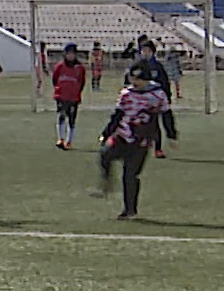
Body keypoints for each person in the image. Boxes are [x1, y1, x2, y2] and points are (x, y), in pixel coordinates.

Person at [95, 62, 173, 221]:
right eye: (132, 79)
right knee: (104, 155)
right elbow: (117, 115)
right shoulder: (126, 94)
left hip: (141, 141)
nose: (134, 83)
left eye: (138, 79)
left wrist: (171, 134)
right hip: (122, 135)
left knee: (130, 175)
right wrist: (106, 132)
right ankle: (107, 181)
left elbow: (166, 115)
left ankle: (129, 210)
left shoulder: (158, 94)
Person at [51, 43, 86, 150]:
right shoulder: (60, 66)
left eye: (72, 54)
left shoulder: (79, 68)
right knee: (61, 116)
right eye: (68, 54)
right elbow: (55, 79)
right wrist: (59, 90)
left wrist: (76, 92)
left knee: (71, 119)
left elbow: (82, 82)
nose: (70, 56)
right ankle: (60, 138)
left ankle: (69, 141)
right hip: (61, 96)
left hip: (73, 98)